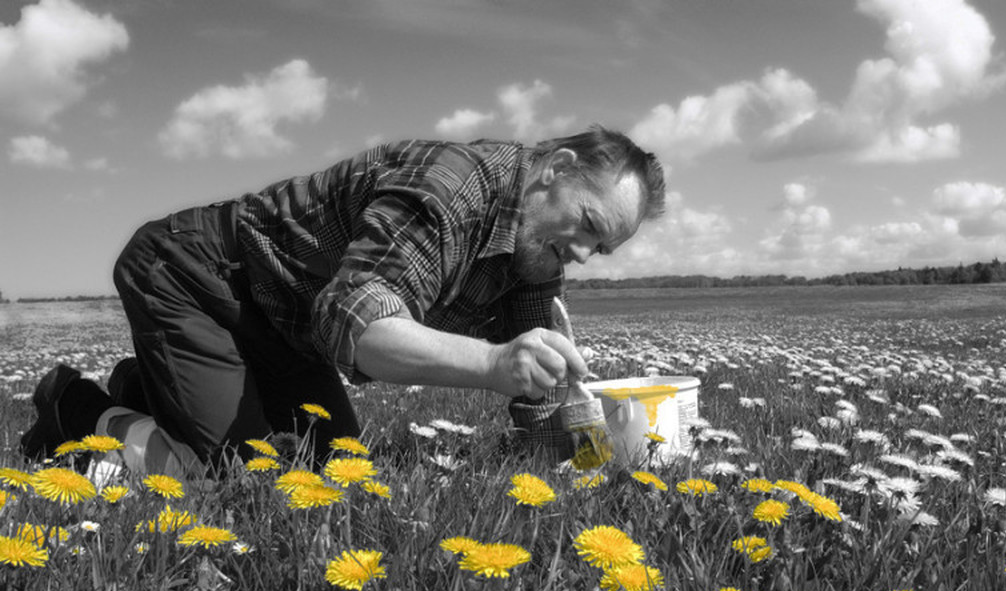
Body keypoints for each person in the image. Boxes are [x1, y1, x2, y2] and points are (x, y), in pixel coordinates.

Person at [21, 125, 666, 477]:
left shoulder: (535, 251)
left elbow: (544, 394)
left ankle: (150, 385)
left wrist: (605, 458)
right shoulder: (450, 189)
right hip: (197, 275)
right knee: (238, 486)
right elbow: (355, 317)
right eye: (587, 224)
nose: (583, 254)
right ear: (553, 169)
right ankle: (73, 406)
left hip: (283, 324)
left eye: (601, 248)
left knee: (335, 472)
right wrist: (496, 365)